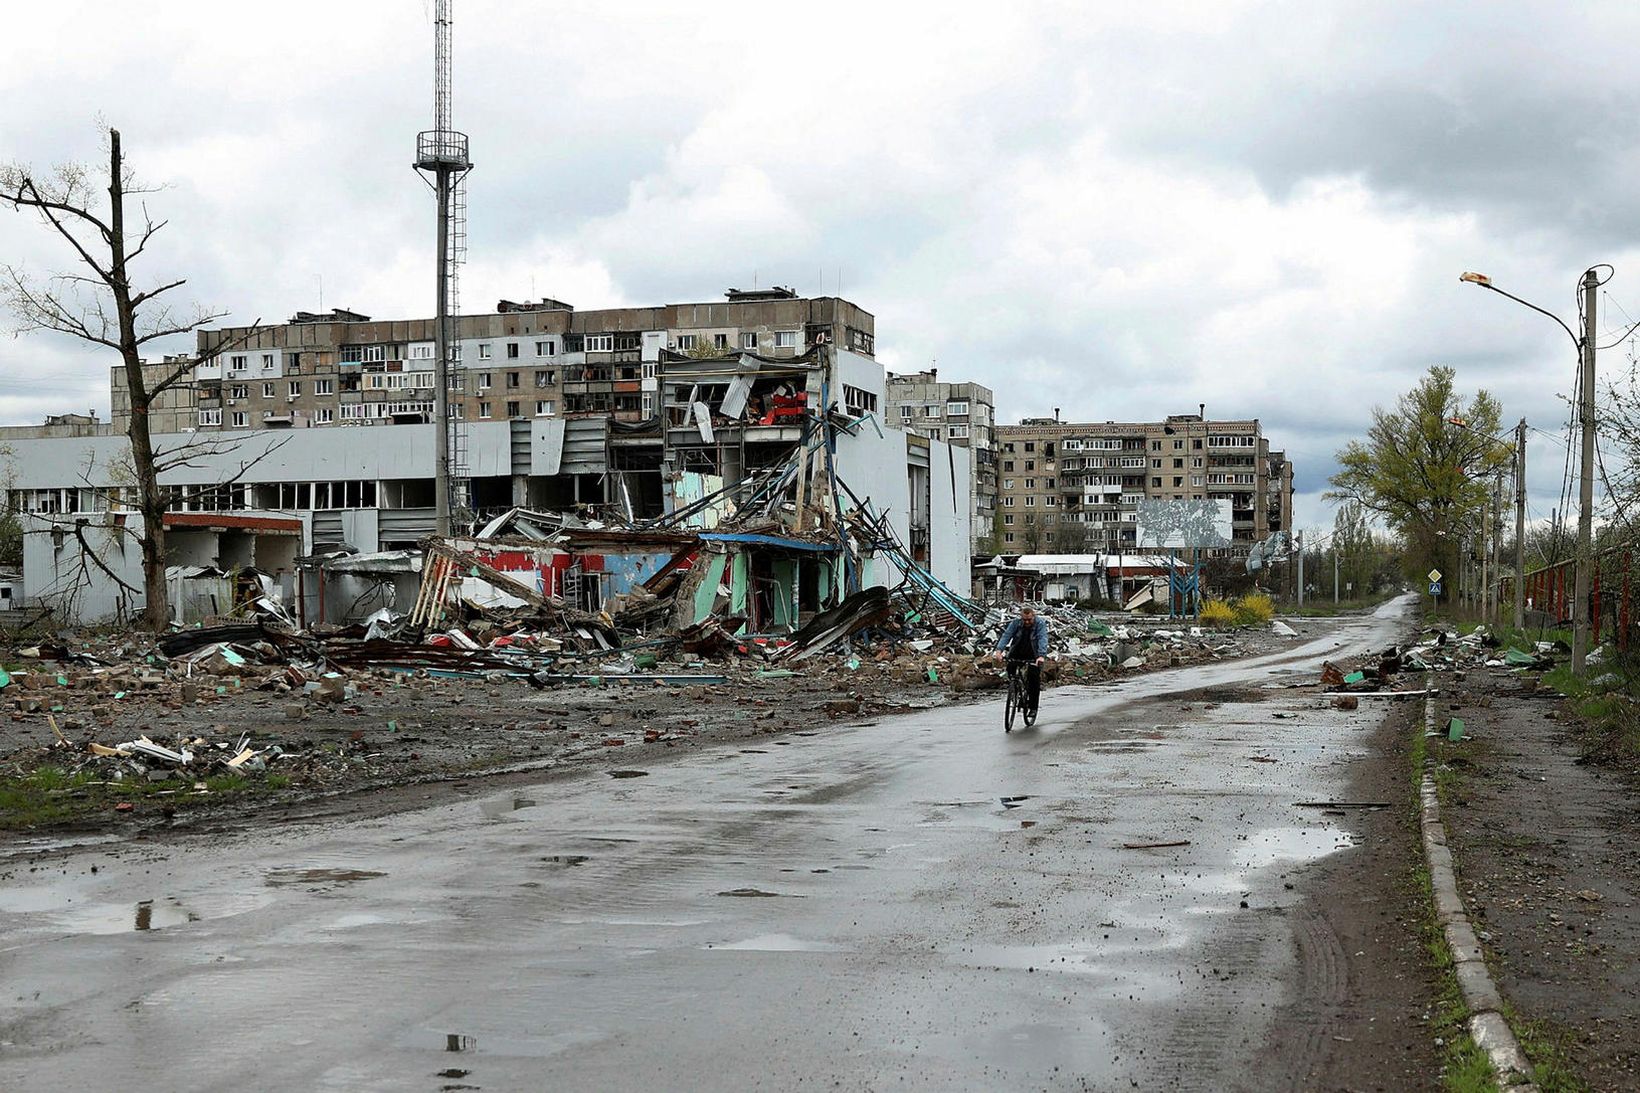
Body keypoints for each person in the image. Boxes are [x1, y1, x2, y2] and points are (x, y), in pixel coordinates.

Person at [992, 605, 1047, 716]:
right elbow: (1006, 635)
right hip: (1017, 651)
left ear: (1034, 616)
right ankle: (1015, 689)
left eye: (1029, 620)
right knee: (1010, 668)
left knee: (1033, 679)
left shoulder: (1040, 624)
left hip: (1034, 654)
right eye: (1024, 620)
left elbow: (1042, 638)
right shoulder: (1016, 623)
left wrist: (1041, 656)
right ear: (1021, 617)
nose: (1026, 622)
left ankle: (1033, 707)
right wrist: (999, 651)